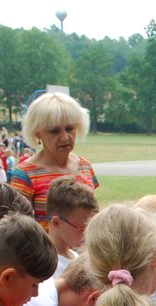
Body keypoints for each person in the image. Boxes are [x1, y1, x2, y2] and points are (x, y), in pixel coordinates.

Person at [11, 92, 99, 231]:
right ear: (37, 133)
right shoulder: (25, 175)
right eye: (54, 131)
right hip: (45, 252)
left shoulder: (85, 166)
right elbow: (21, 231)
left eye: (70, 129)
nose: (65, 137)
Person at [47, 177, 99, 277]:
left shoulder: (73, 255)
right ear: (57, 223)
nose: (87, 234)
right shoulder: (49, 267)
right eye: (82, 229)